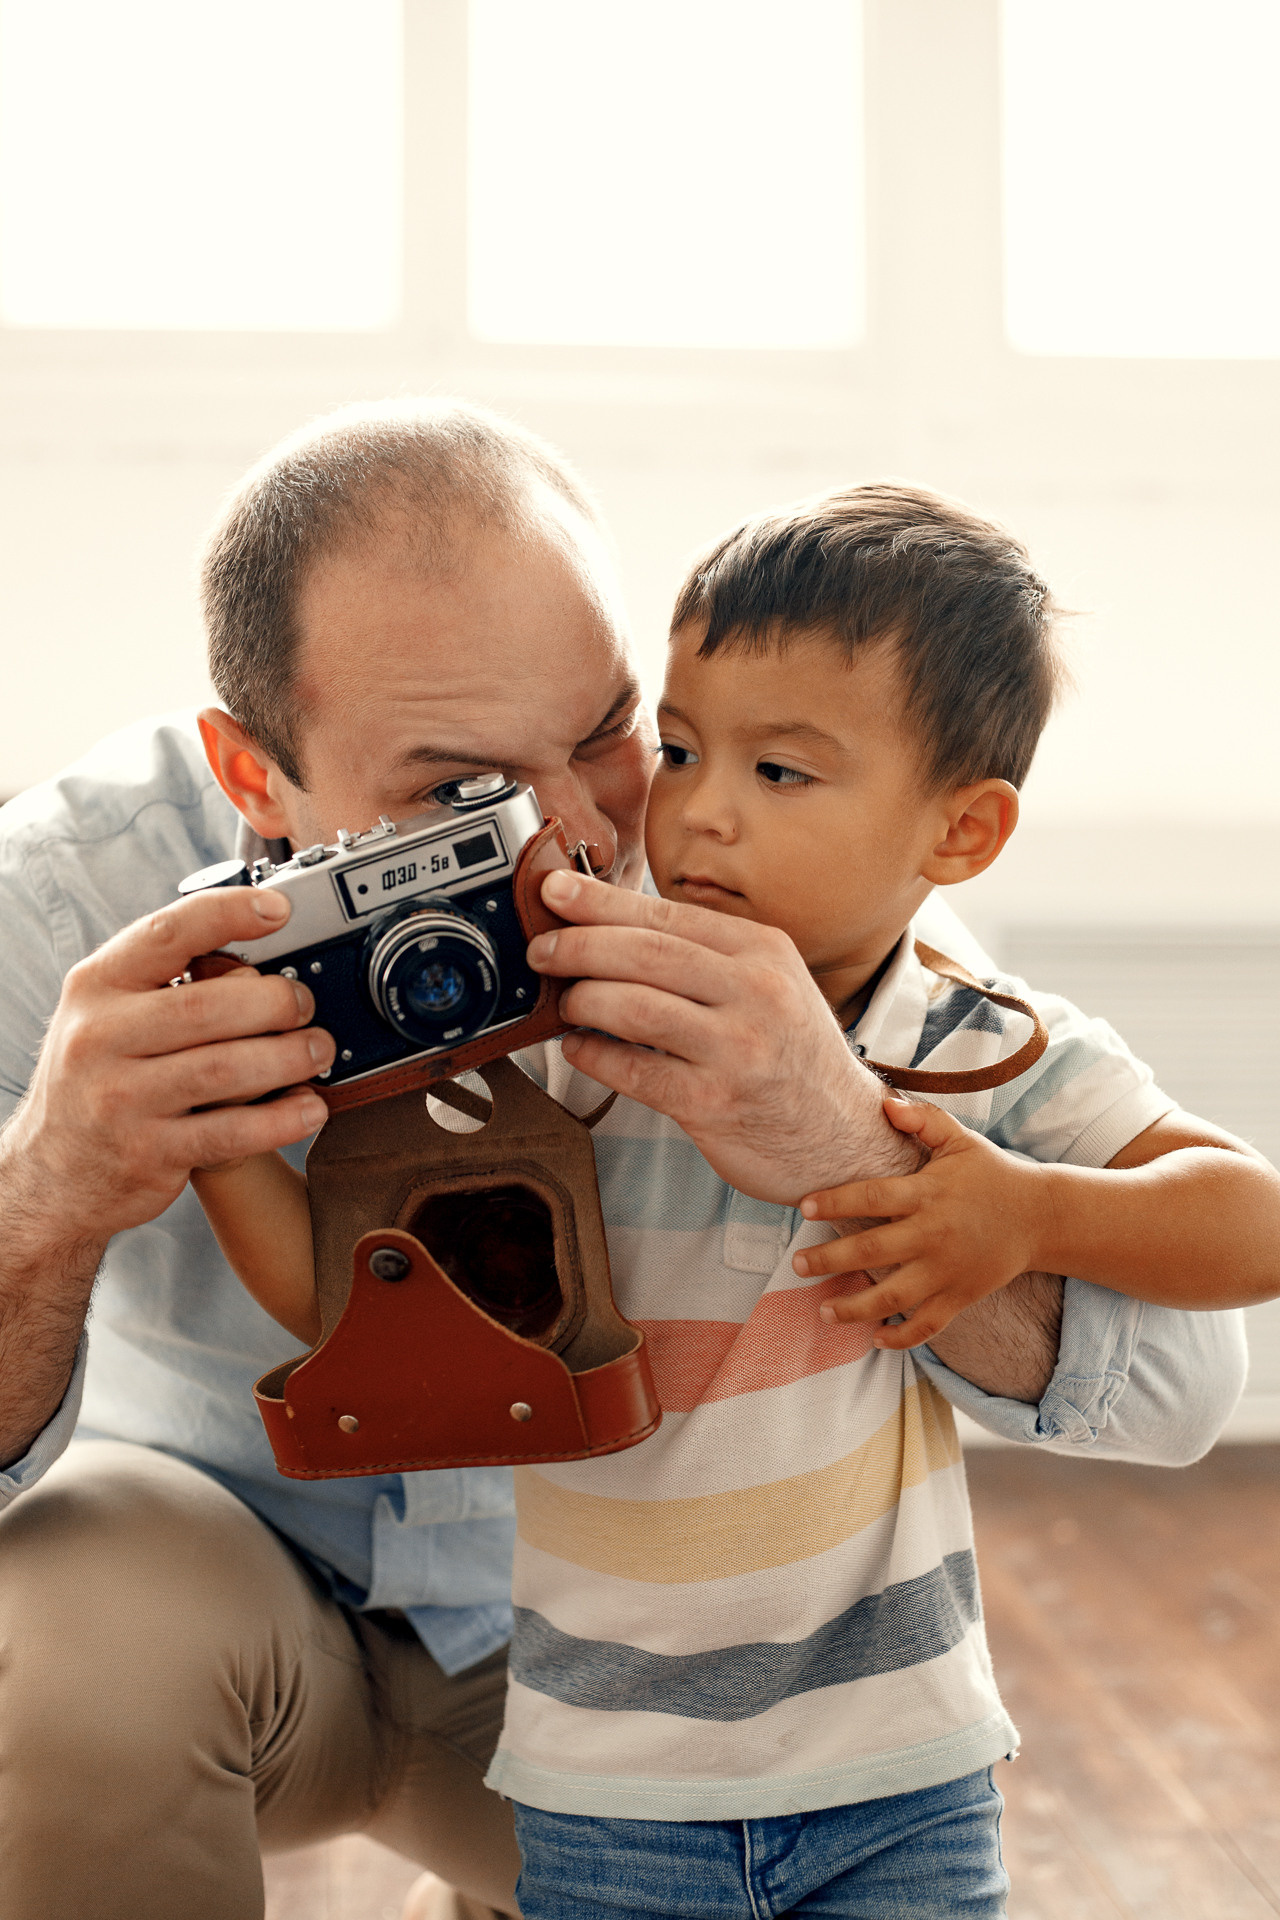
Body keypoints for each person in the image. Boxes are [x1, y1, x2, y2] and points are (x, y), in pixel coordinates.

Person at [0, 406, 1246, 1920]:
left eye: (608, 733)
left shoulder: (737, 867)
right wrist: (56, 1191)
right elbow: (330, 1301)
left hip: (650, 1710)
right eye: (459, 792)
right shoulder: (78, 905)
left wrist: (851, 1141)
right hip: (265, 1616)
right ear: (251, 779)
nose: (574, 839)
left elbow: (1180, 1388)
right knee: (60, 1642)